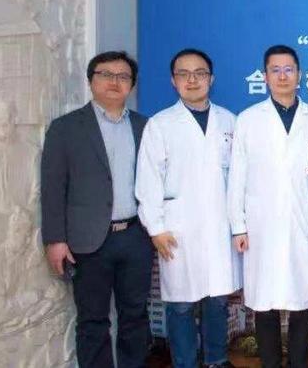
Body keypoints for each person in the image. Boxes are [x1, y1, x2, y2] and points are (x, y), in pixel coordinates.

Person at [40, 51, 152, 367]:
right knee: (92, 320)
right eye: (106, 74)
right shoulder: (65, 128)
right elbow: (53, 188)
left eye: (123, 76)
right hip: (87, 241)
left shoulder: (146, 127)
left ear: (132, 85)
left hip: (136, 237)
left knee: (135, 316)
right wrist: (55, 239)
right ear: (91, 81)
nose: (115, 82)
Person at [135, 48, 241, 368]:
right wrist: (155, 228)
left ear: (211, 79)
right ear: (173, 81)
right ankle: (184, 362)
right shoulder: (161, 124)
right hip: (177, 230)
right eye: (184, 74)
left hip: (220, 226)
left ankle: (216, 360)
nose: (192, 80)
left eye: (200, 73)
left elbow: (240, 177)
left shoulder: (229, 121)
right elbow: (148, 180)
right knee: (180, 305)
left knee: (217, 300)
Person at [226, 44, 308, 368]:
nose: (283, 76)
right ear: (265, 76)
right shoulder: (249, 119)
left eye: (289, 69)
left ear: (300, 75)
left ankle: (299, 362)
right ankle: (270, 362)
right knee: (264, 300)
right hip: (261, 225)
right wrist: (238, 226)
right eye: (275, 70)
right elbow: (237, 179)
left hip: (305, 222)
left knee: (303, 300)